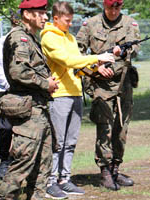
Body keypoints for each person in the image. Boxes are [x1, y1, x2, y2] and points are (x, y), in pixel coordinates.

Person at [40, 1, 115, 198]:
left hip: (75, 93)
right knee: (58, 141)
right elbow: (67, 61)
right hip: (58, 95)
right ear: (55, 18)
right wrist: (96, 57)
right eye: (67, 20)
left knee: (71, 141)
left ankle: (65, 179)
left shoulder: (71, 37)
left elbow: (77, 66)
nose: (70, 24)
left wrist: (95, 67)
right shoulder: (48, 37)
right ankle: (50, 181)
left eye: (72, 20)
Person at [0, 0, 59, 199]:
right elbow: (18, 72)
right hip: (28, 111)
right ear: (27, 14)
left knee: (43, 164)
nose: (46, 17)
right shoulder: (19, 38)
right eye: (40, 12)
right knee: (22, 165)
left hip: (39, 108)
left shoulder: (30, 38)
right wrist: (45, 84)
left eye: (45, 12)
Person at [76, 0, 140, 191]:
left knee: (121, 127)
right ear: (104, 6)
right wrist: (95, 66)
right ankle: (104, 172)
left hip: (123, 84)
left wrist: (124, 50)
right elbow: (77, 52)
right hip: (100, 85)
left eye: (117, 7)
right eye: (110, 6)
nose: (114, 11)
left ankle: (115, 169)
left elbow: (135, 48)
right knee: (104, 128)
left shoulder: (129, 23)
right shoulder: (91, 24)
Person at [0, 11, 20, 181]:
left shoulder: (31, 41)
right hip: (5, 90)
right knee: (6, 127)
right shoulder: (2, 42)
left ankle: (18, 160)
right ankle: (4, 159)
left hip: (22, 91)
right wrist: (10, 86)